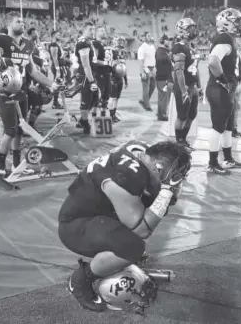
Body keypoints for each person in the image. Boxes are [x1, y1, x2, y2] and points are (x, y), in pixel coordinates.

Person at [58, 140, 191, 311]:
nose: (177, 181)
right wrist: (166, 193)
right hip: (75, 227)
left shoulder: (142, 152)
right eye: (175, 175)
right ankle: (79, 280)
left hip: (98, 213)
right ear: (158, 167)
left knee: (149, 205)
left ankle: (113, 258)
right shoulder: (126, 176)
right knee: (132, 247)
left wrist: (163, 193)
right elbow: (142, 229)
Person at [0, 15, 63, 176]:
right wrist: (2, 61)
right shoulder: (0, 40)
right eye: (18, 21)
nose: (22, 23)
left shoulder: (27, 44)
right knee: (10, 130)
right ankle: (0, 165)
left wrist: (51, 84)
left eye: (23, 22)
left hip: (22, 91)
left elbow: (33, 71)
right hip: (5, 91)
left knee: (20, 130)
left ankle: (16, 165)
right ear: (9, 24)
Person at [206, 8, 241, 174]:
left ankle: (228, 159)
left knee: (228, 127)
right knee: (218, 127)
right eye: (236, 22)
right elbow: (213, 61)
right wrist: (224, 81)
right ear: (226, 24)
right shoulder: (224, 38)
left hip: (225, 89)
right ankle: (213, 162)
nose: (239, 25)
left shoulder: (229, 38)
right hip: (219, 89)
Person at [171, 18, 201, 150]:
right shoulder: (179, 47)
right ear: (181, 31)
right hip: (184, 86)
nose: (193, 31)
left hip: (193, 86)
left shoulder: (192, 47)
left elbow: (195, 69)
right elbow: (178, 71)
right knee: (182, 116)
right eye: (190, 29)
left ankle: (184, 140)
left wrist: (199, 86)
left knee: (191, 116)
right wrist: (183, 91)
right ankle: (179, 142)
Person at [74, 21, 98, 134]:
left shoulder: (88, 42)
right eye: (90, 29)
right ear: (84, 30)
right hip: (86, 74)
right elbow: (85, 64)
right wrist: (92, 80)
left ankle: (82, 120)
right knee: (86, 99)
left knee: (94, 99)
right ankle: (84, 122)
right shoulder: (83, 43)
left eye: (93, 29)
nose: (92, 31)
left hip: (90, 73)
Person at [92, 27, 113, 117]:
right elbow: (94, 60)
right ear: (96, 33)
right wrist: (106, 63)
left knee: (106, 95)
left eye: (104, 30)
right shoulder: (96, 43)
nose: (104, 32)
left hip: (106, 72)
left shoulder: (103, 44)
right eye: (101, 30)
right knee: (98, 95)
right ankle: (94, 116)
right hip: (99, 73)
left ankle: (103, 117)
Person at [109, 35, 128, 123]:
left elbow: (124, 69)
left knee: (117, 98)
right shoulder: (111, 52)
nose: (121, 43)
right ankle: (110, 115)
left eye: (122, 42)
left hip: (119, 78)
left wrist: (126, 80)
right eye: (119, 41)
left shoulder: (122, 54)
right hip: (112, 78)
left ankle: (114, 114)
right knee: (112, 98)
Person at [155, 34, 174, 121]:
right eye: (167, 40)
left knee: (165, 96)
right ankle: (162, 114)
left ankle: (161, 112)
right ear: (163, 41)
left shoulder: (165, 51)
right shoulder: (160, 51)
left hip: (166, 77)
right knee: (163, 96)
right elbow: (159, 61)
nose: (169, 42)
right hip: (162, 77)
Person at [137, 32, 156, 112]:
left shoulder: (152, 46)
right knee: (146, 88)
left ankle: (143, 100)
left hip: (152, 67)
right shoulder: (142, 48)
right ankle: (147, 105)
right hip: (146, 68)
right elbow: (141, 61)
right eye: (148, 36)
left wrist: (155, 67)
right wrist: (142, 72)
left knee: (153, 86)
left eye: (150, 35)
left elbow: (153, 58)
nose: (149, 37)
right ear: (144, 38)